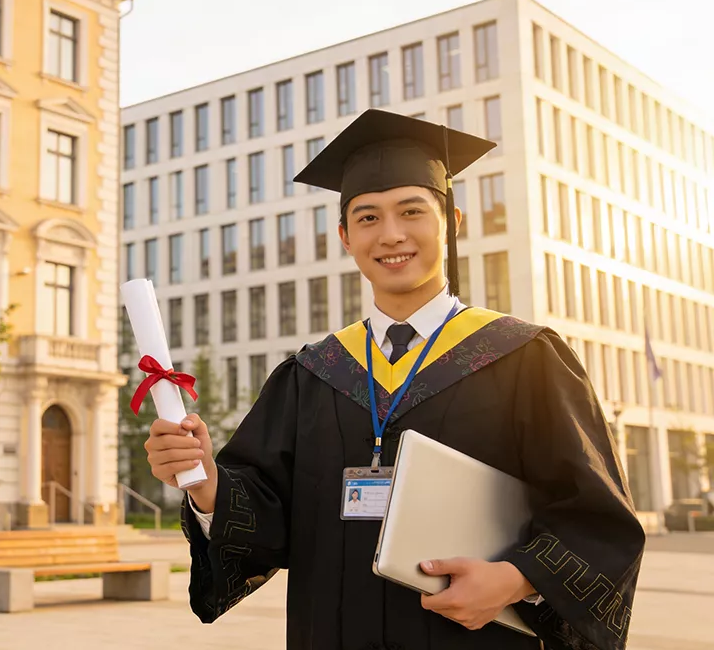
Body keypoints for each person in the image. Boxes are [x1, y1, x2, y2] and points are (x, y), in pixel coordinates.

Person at [143, 109, 645, 650]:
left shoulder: (524, 357)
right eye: (367, 218)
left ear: (452, 221)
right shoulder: (314, 372)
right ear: (344, 236)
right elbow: (269, 515)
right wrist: (207, 483)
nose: (391, 235)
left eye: (412, 211)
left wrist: (517, 578)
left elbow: (599, 518)